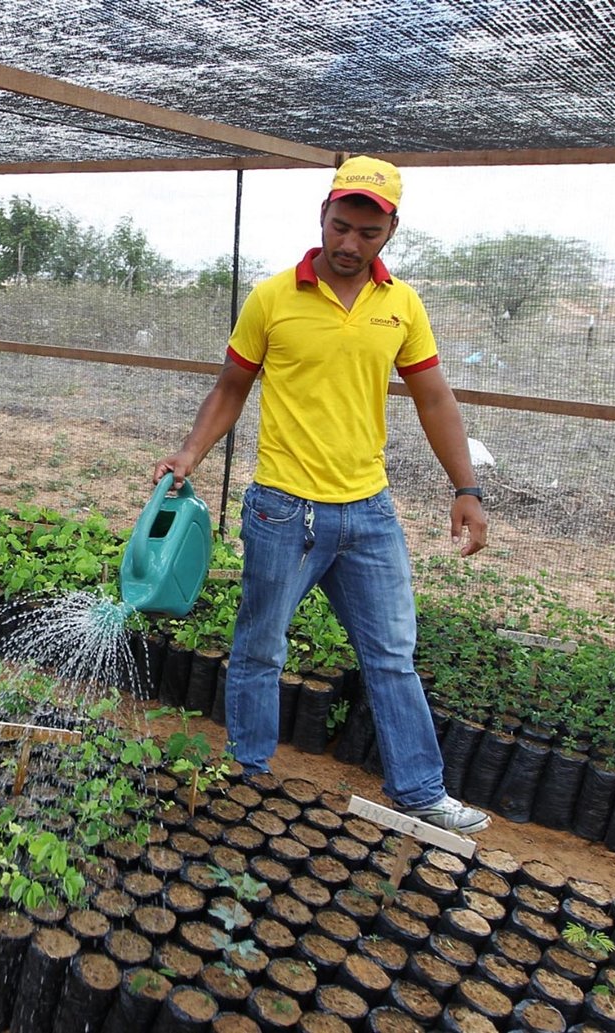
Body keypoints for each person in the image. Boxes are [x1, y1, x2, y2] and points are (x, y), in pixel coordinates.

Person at [154, 155, 491, 834]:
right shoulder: (274, 298)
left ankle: (421, 791)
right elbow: (230, 388)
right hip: (284, 509)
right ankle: (248, 775)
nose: (349, 244)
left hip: (369, 512)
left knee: (392, 652)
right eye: (340, 226)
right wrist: (188, 454)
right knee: (260, 647)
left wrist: (467, 487)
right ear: (322, 215)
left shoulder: (401, 305)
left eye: (367, 233)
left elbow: (433, 397)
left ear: (390, 230)